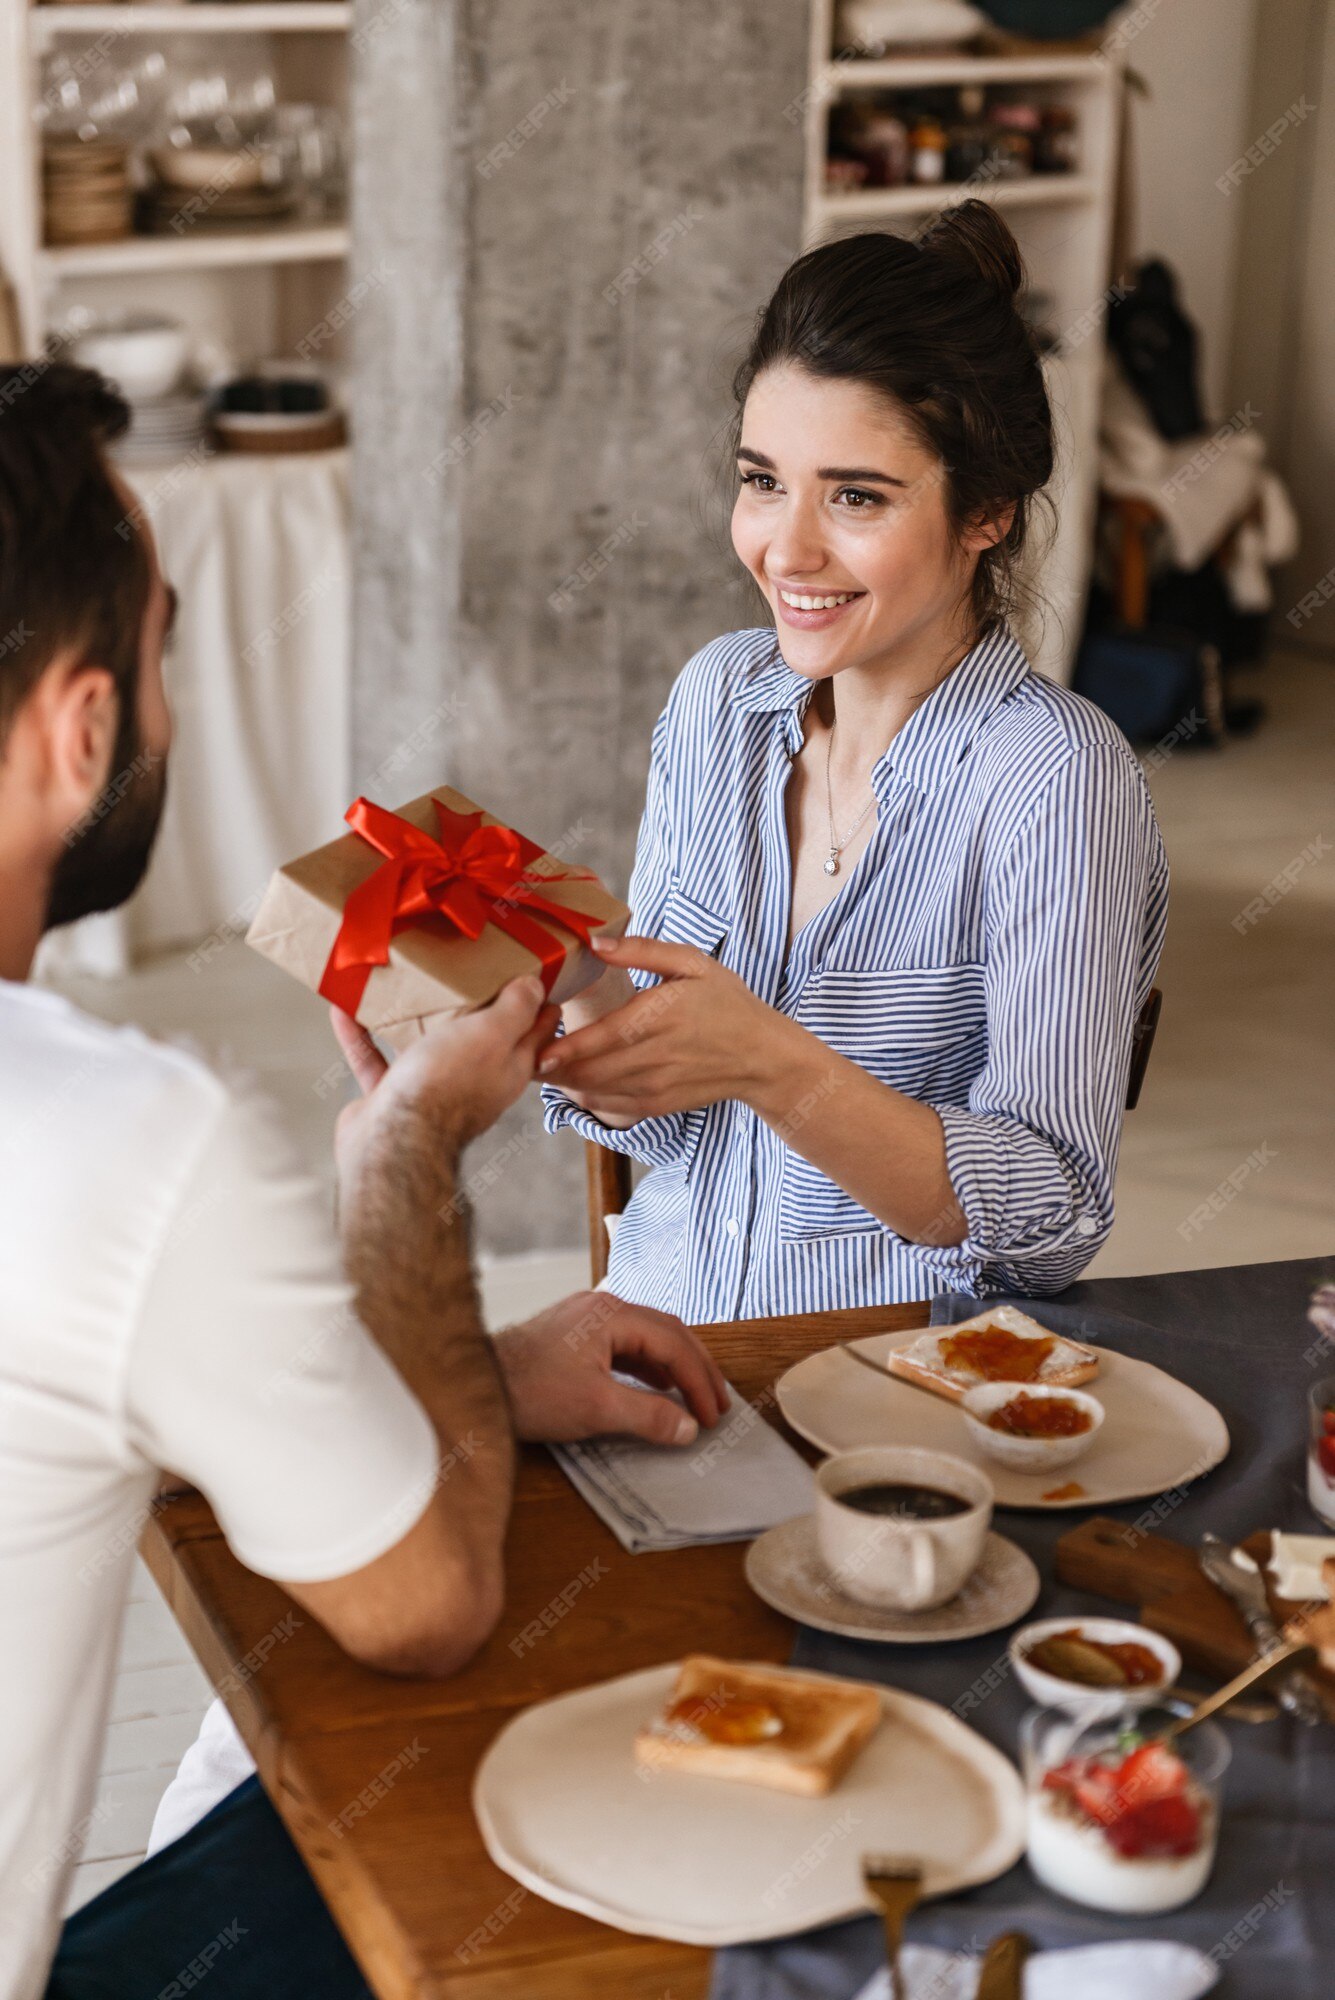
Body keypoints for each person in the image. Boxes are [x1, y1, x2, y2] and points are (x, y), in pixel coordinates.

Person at [0, 363, 728, 2000]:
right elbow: (427, 1606)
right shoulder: (130, 1139)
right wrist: (407, 1140)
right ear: (87, 723)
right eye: (160, 645)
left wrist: (475, 1372)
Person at [540, 202, 1169, 1322]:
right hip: (650, 1338)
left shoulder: (1054, 781)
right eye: (763, 479)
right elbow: (671, 1112)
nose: (788, 547)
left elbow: (1054, 1217)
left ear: (985, 510)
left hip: (890, 1405)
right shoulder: (718, 702)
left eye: (857, 496)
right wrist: (567, 989)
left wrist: (778, 1064)